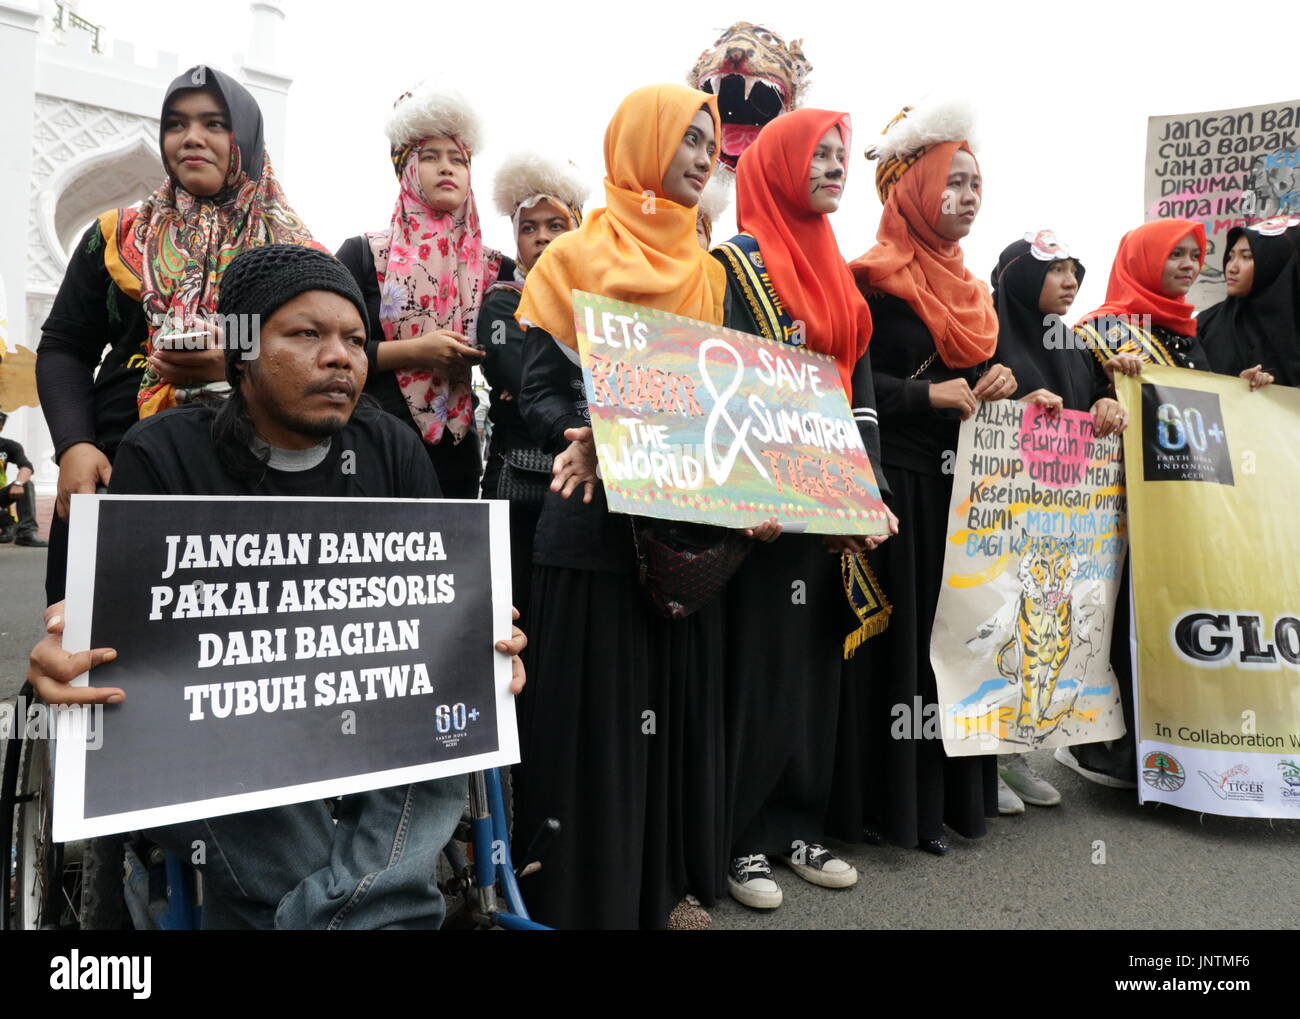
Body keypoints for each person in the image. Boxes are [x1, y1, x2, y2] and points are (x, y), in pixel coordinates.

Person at [25, 244, 527, 930]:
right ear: (242, 352)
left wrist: (489, 644)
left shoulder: (392, 449)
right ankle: (378, 912)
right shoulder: (161, 454)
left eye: (355, 338)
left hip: (377, 730)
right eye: (305, 334)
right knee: (243, 746)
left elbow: (440, 617)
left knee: (449, 732)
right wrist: (65, 653)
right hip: (233, 745)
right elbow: (117, 654)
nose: (341, 357)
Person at [512, 83, 734, 929]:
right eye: (686, 137)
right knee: (593, 714)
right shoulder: (571, 259)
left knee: (665, 709)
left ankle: (660, 888)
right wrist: (588, 433)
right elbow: (537, 391)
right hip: (591, 524)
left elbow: (723, 400)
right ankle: (575, 892)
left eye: (711, 141)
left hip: (678, 527)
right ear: (641, 146)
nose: (704, 153)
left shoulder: (710, 275)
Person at [35, 64, 317, 604]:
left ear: (246, 138)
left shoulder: (297, 255)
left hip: (252, 477)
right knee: (93, 651)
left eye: (214, 123)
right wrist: (74, 444)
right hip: (116, 469)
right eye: (176, 124)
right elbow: (64, 347)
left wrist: (235, 363)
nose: (191, 138)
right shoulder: (116, 236)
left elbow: (323, 359)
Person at [709, 108, 891, 908]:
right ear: (776, 165)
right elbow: (724, 383)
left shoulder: (839, 270)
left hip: (834, 500)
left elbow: (864, 390)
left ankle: (797, 824)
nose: (832, 167)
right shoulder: (735, 264)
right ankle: (740, 839)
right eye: (815, 155)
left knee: (818, 667)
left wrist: (869, 489)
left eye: (840, 156)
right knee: (758, 667)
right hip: (765, 503)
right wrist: (753, 492)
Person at [827, 101, 1018, 856]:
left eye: (977, 182)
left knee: (959, 642)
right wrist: (922, 394)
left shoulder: (973, 291)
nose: (970, 196)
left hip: (961, 490)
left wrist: (1004, 381)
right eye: (955, 181)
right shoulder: (869, 280)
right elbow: (849, 379)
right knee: (902, 646)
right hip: (899, 483)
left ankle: (950, 801)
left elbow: (974, 374)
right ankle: (889, 807)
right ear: (913, 187)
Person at [1060, 219, 1272, 788]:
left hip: (1181, 509)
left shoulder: (1189, 331)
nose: (1186, 264)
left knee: (1166, 618)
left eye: (1193, 255)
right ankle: (1104, 745)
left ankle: (1171, 743)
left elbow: (1202, 411)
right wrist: (1109, 388)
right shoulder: (1097, 331)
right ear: (1142, 258)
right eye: (1173, 254)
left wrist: (1243, 390)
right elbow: (1076, 417)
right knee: (1118, 621)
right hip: (1118, 510)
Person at [987, 230, 1127, 814]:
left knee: (1042, 632)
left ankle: (1013, 752)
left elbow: (1098, 397)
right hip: (997, 517)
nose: (1072, 282)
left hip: (1060, 520)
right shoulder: (985, 328)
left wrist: (1106, 400)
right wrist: (1010, 404)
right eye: (1058, 270)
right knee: (993, 627)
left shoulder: (1073, 344)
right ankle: (978, 759)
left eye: (1076, 271)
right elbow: (975, 399)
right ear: (1022, 274)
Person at [337, 83, 514, 499]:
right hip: (371, 444)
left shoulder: (495, 268)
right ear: (406, 170)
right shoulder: (364, 254)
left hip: (457, 451)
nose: (446, 168)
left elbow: (519, 348)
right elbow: (333, 350)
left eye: (458, 159)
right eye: (430, 157)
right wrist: (417, 351)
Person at [477, 152, 588, 636]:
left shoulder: (602, 298)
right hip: (520, 485)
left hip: (587, 490)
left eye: (556, 225)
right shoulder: (503, 299)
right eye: (529, 228)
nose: (542, 237)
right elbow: (521, 377)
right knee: (517, 616)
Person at [1198, 217, 1300, 386]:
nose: (1231, 267)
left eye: (1247, 257)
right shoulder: (1206, 324)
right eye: (1230, 257)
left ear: (1277, 264)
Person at [0, 411, 48, 546]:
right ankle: (8, 523)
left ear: (1, 427)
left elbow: (26, 467)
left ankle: (26, 533)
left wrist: (18, 483)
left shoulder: (9, 446)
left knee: (27, 484)